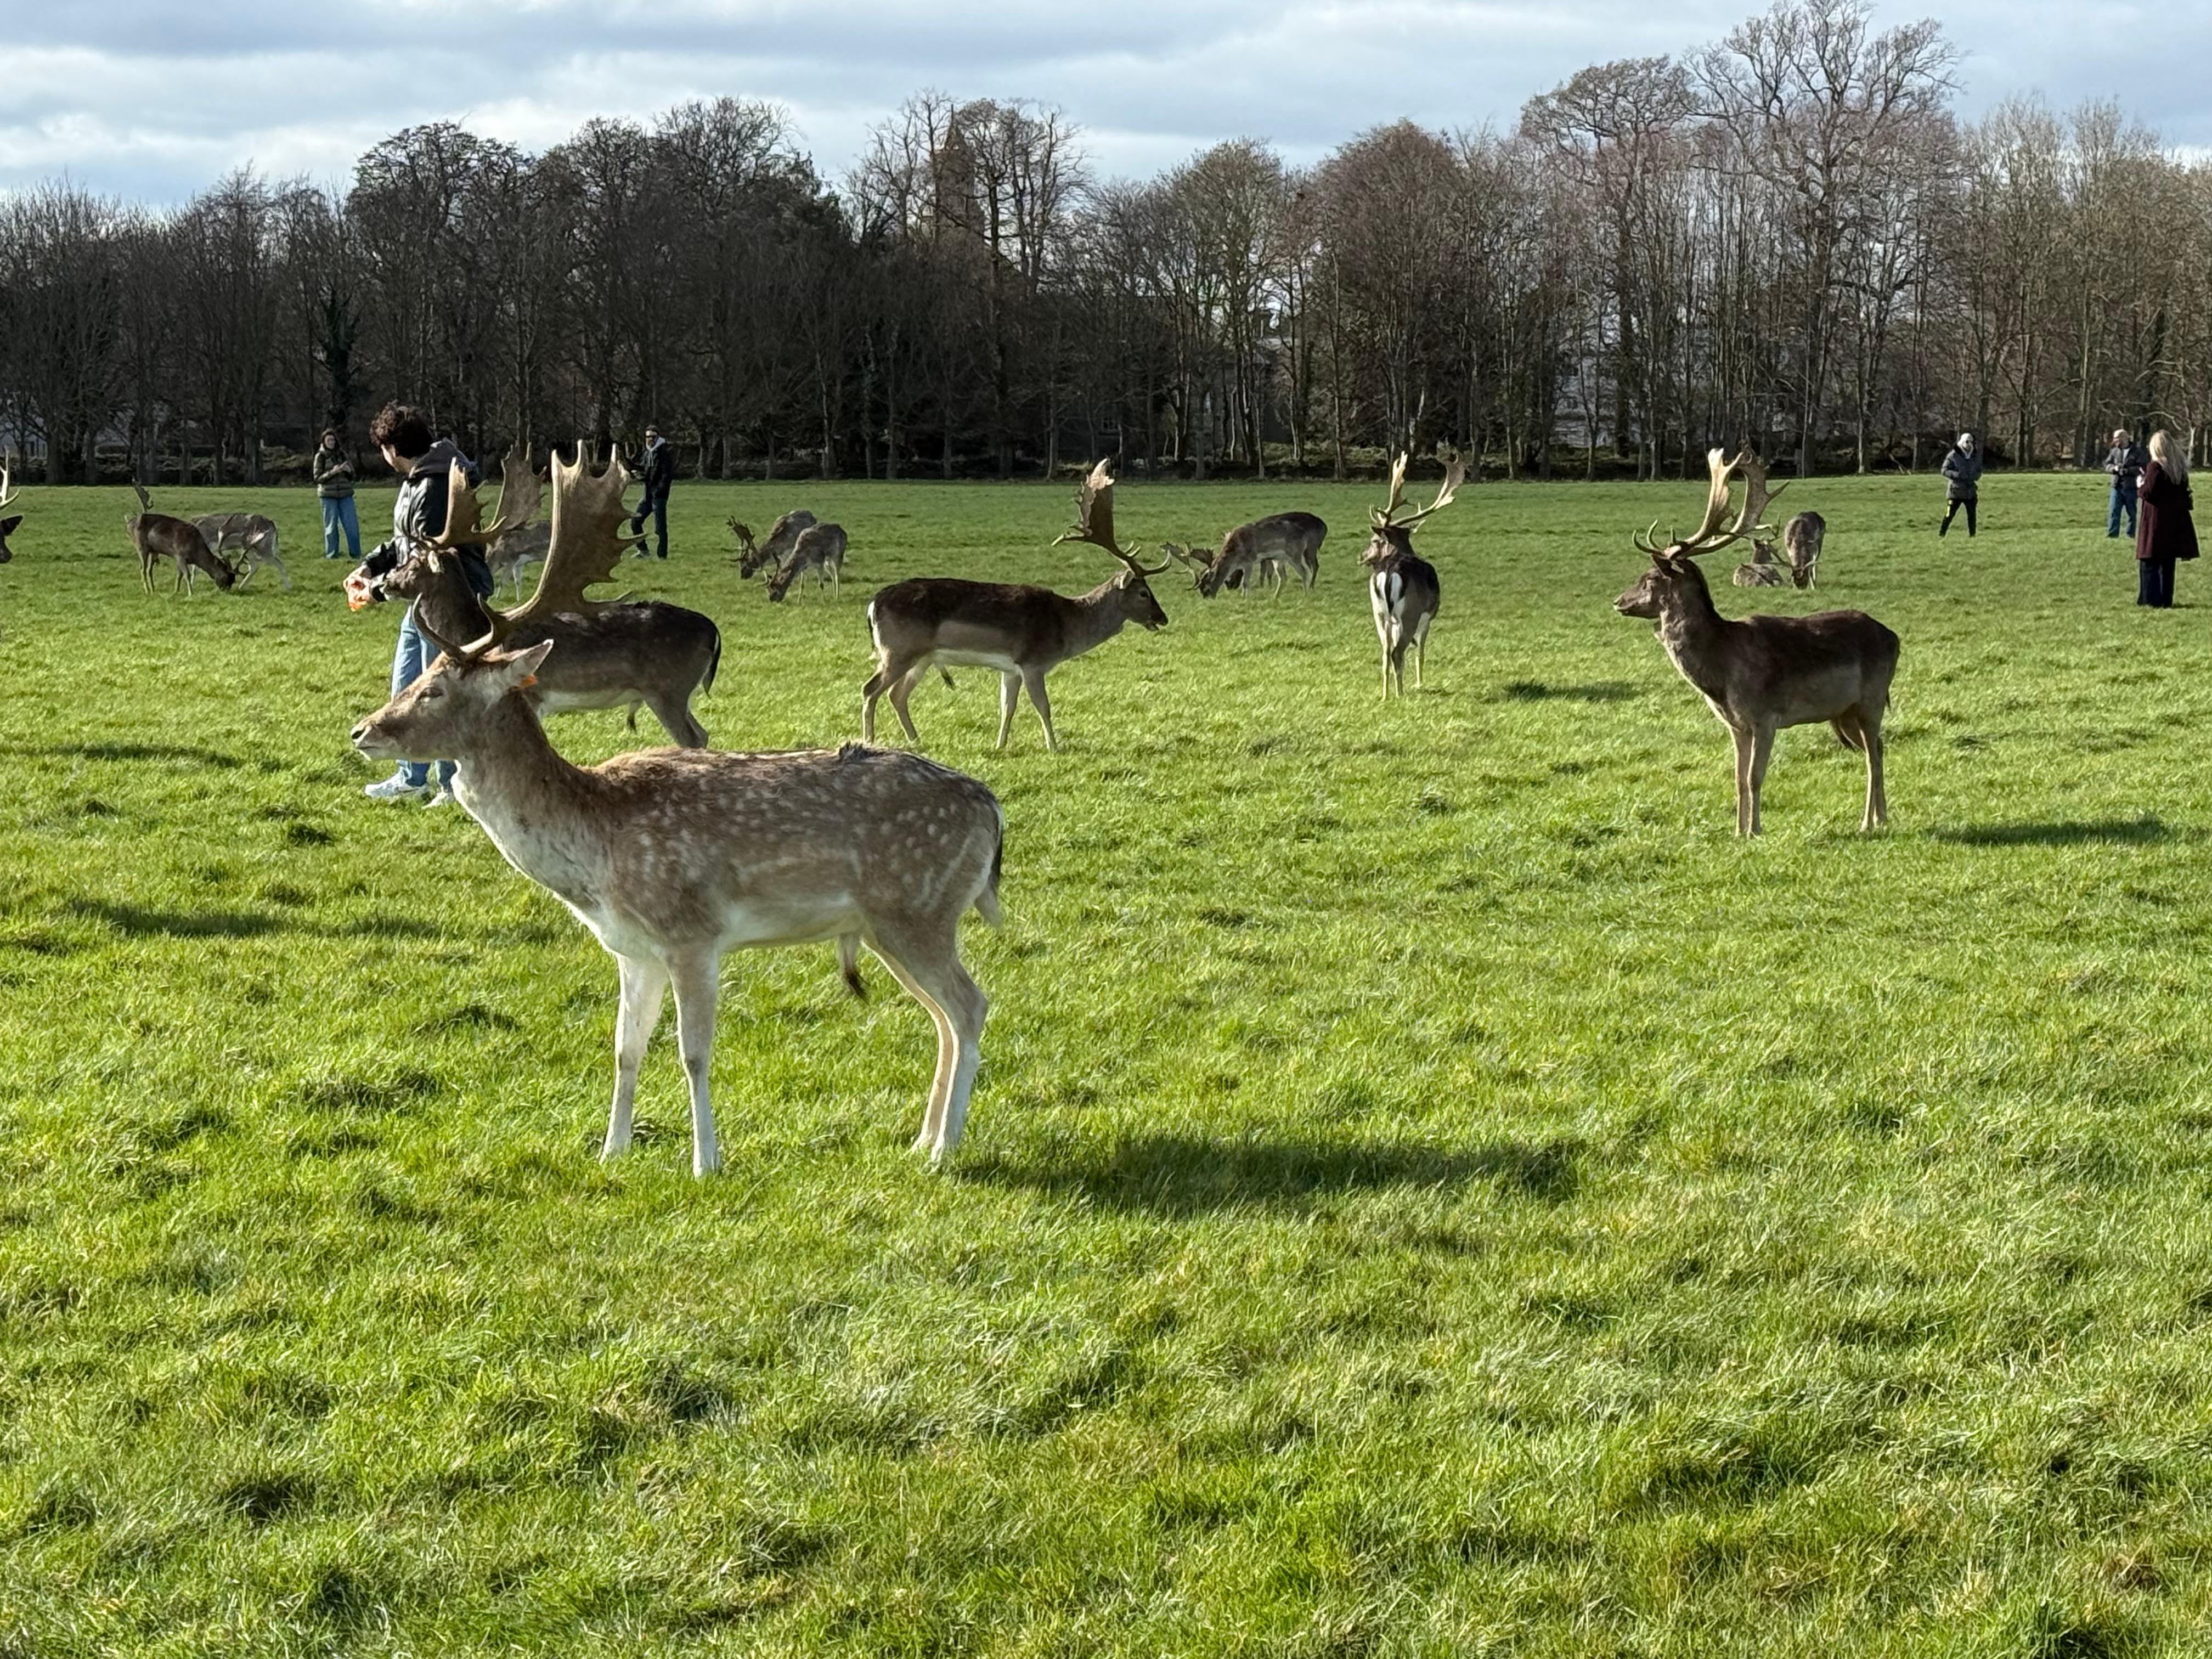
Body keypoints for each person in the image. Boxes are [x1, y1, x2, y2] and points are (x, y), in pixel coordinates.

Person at [347, 403, 492, 804]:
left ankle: (451, 783)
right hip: (422, 604)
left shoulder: (437, 483)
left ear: (393, 448)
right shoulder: (418, 478)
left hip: (450, 601)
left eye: (383, 448)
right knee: (406, 684)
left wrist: (376, 589)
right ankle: (412, 777)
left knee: (437, 693)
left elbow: (425, 560)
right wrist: (370, 566)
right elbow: (402, 543)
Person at [2135, 430, 2197, 609]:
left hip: (2155, 520)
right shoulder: (2178, 468)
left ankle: (2150, 599)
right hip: (2174, 520)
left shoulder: (2155, 467)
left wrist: (2141, 484)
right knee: (2167, 563)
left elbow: (2149, 493)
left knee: (2150, 560)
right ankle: (2166, 599)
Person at [313, 428, 361, 559]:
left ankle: (356, 554)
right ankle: (332, 555)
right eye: (328, 440)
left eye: (333, 440)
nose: (331, 442)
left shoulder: (342, 455)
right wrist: (333, 472)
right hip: (328, 496)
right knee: (331, 527)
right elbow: (317, 478)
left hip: (346, 495)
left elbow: (353, 476)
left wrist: (348, 471)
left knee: (352, 526)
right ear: (324, 442)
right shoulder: (321, 457)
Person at [630, 424, 674, 558]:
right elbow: (645, 470)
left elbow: (667, 475)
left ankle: (662, 556)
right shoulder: (647, 452)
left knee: (660, 528)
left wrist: (659, 490)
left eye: (653, 437)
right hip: (647, 495)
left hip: (659, 496)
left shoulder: (664, 453)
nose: (650, 439)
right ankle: (643, 551)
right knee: (635, 522)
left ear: (658, 437)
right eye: (648, 437)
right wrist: (633, 469)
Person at [2104, 427, 2148, 539]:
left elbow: (2143, 468)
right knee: (2114, 511)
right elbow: (2107, 464)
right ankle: (2112, 535)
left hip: (2131, 487)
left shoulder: (2138, 452)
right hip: (2117, 486)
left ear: (2125, 438)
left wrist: (2128, 471)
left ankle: (2131, 534)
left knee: (2131, 512)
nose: (2115, 441)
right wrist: (2114, 468)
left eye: (2117, 439)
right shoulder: (2114, 451)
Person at [1939, 431, 1982, 538]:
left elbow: (1979, 470)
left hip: (1970, 491)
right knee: (1950, 515)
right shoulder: (1953, 455)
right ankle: (1942, 534)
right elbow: (1944, 470)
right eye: (1967, 442)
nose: (1969, 445)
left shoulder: (1974, 456)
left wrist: (1975, 476)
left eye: (1971, 442)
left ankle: (1973, 536)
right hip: (1956, 491)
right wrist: (1958, 475)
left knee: (1972, 516)